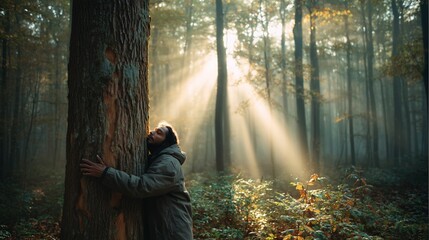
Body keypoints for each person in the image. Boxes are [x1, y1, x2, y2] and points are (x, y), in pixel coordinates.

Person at [80, 122, 193, 240]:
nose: (152, 133)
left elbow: (142, 187)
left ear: (167, 143)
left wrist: (106, 173)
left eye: (159, 133)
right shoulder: (159, 160)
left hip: (173, 234)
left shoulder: (168, 163)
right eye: (154, 130)